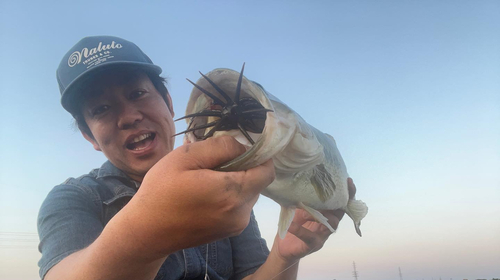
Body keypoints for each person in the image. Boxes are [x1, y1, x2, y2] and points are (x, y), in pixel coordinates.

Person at [37, 35, 355, 280]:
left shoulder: (225, 190)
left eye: (137, 93)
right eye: (101, 109)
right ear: (89, 137)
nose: (129, 116)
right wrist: (150, 230)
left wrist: (286, 256)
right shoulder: (72, 199)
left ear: (169, 103)